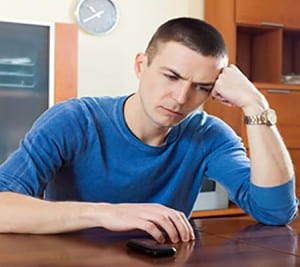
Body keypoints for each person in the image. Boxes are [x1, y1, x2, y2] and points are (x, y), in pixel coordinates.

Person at [0, 17, 298, 244]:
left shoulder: (209, 135)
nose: (181, 98)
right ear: (141, 65)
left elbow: (275, 211)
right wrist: (105, 213)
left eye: (201, 87)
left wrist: (256, 105)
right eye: (171, 76)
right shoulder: (73, 120)